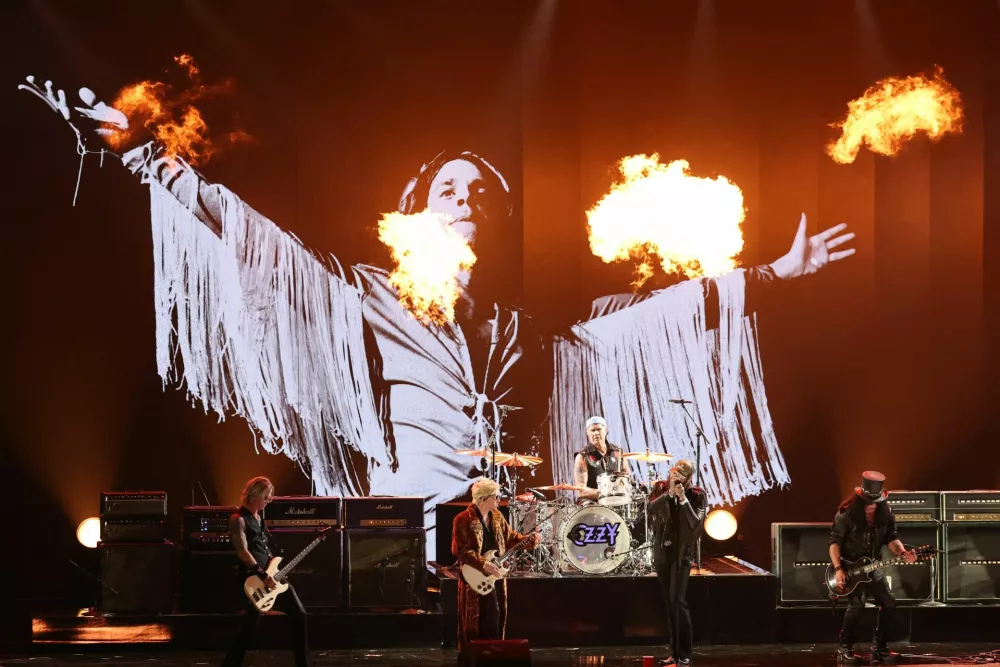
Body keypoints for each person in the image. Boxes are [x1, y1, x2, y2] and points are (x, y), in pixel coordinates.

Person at [21, 77, 857, 553]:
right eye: (450, 187)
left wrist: (773, 273)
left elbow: (645, 322)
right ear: (416, 210)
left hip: (509, 549)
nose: (468, 199)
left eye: (482, 192)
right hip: (406, 541)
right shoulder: (369, 296)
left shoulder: (530, 333)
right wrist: (147, 159)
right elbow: (251, 242)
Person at [829, 471, 917, 665]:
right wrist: (838, 568)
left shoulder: (886, 514)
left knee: (889, 602)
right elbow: (834, 543)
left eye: (875, 501)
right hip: (850, 567)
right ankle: (845, 648)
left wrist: (903, 553)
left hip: (873, 566)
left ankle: (879, 648)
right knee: (856, 605)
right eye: (868, 501)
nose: (871, 505)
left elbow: (892, 538)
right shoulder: (846, 515)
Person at [222, 476, 310, 667]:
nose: (268, 501)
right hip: (255, 579)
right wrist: (262, 573)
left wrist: (274, 565)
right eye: (267, 497)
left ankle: (303, 664)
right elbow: (242, 551)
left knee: (300, 615)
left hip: (274, 577)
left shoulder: (259, 517)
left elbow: (265, 548)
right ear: (256, 495)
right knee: (249, 628)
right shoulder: (238, 519)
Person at [451, 477, 539, 656]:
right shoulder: (463, 519)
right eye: (496, 497)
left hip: (495, 575)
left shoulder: (497, 517)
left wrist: (530, 541)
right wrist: (484, 564)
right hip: (474, 577)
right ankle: (475, 655)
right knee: (478, 619)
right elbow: (460, 550)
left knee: (496, 615)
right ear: (484, 498)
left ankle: (494, 653)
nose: (499, 500)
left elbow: (510, 538)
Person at [647, 460, 706, 667]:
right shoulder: (660, 488)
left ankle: (686, 653)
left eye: (680, 477)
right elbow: (651, 509)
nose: (674, 478)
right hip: (662, 550)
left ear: (689, 479)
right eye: (673, 474)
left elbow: (696, 525)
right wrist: (669, 494)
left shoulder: (697, 494)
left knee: (678, 601)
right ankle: (673, 652)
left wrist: (683, 500)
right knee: (668, 603)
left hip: (682, 553)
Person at [573, 416, 629, 501]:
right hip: (593, 502)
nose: (595, 433)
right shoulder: (582, 456)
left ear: (606, 431)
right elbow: (581, 492)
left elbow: (627, 479)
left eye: (599, 429)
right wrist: (607, 493)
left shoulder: (618, 452)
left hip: (616, 498)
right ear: (587, 433)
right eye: (592, 430)